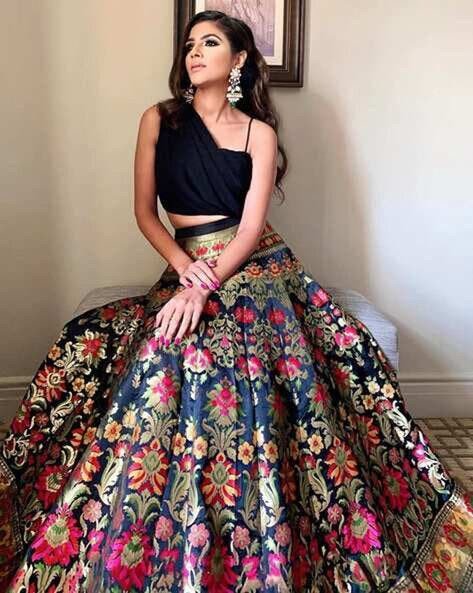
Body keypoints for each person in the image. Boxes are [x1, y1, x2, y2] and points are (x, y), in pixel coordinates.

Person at [1, 9, 472, 593]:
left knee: (237, 357)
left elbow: (249, 231)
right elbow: (145, 213)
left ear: (240, 59)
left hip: (257, 266)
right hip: (189, 260)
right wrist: (185, 273)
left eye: (210, 43)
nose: (194, 53)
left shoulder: (258, 133)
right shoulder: (158, 119)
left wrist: (203, 287)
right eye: (189, 44)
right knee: (118, 346)